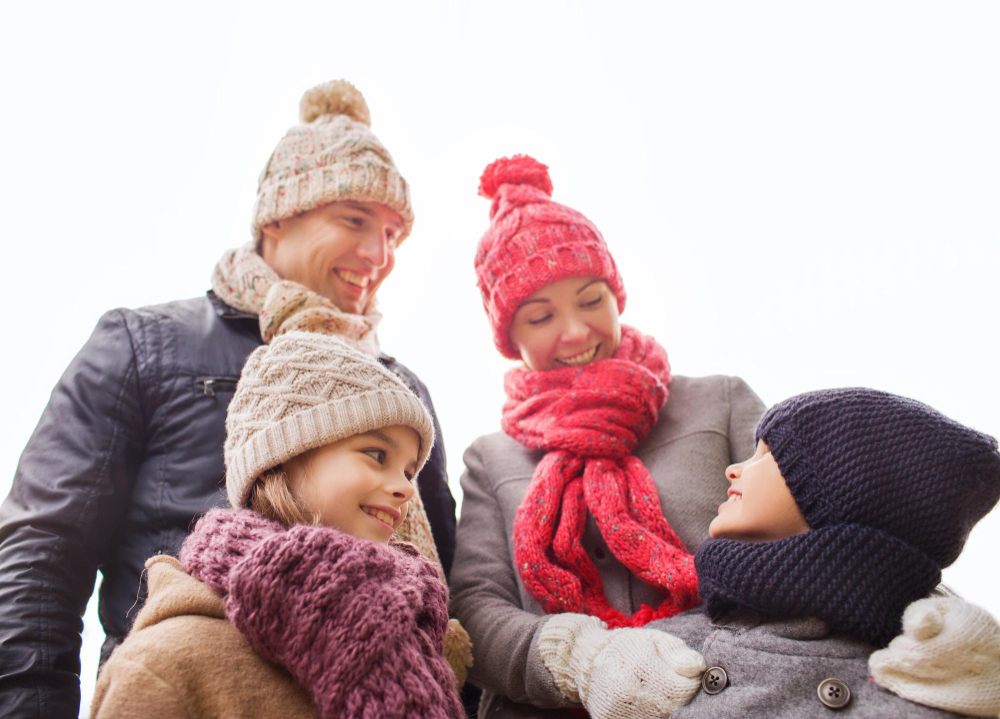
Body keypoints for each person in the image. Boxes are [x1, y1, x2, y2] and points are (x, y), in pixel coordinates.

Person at [0, 80, 457, 719]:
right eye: (354, 220)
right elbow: (41, 557)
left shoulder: (401, 389)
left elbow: (448, 590)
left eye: (392, 235)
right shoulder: (144, 345)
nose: (376, 255)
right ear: (278, 216)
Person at [449, 154, 766, 717]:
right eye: (541, 317)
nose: (574, 332)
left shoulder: (720, 401)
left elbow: (808, 530)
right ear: (508, 334)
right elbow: (475, 608)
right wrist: (583, 661)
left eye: (591, 300)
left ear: (616, 295)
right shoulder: (490, 459)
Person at [537, 388, 1000, 717]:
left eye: (764, 455)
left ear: (844, 492)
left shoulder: (939, 665)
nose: (735, 468)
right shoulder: (668, 653)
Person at [91, 331, 468, 718]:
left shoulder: (413, 635)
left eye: (409, 471)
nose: (406, 488)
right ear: (284, 455)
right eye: (376, 454)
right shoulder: (164, 664)